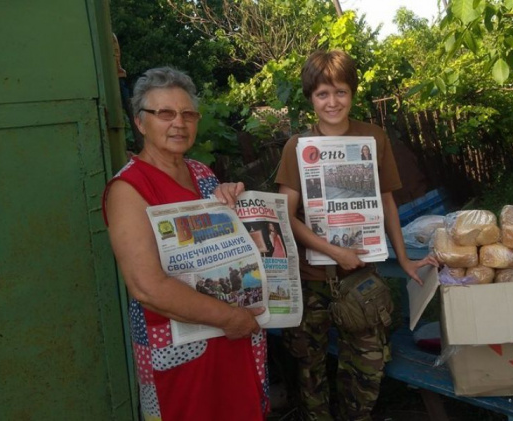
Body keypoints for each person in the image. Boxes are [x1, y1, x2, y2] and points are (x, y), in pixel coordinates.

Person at [275, 50, 438, 420]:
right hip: (311, 280)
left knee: (367, 369)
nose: (332, 102)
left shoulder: (373, 138)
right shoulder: (297, 148)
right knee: (309, 373)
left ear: (352, 93)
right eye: (322, 94)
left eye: (340, 92)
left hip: (361, 276)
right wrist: (333, 252)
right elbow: (285, 216)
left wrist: (406, 257)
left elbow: (387, 203)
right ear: (310, 98)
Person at [102, 67, 268, 421]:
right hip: (179, 347)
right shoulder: (128, 189)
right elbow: (147, 287)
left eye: (188, 114)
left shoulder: (202, 173)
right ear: (140, 122)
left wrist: (232, 199)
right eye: (165, 113)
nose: (179, 123)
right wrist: (231, 318)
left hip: (231, 339)